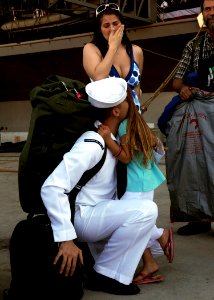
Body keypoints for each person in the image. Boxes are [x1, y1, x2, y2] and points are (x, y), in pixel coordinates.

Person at [41, 77, 160, 295]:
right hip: (83, 217)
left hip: (98, 212)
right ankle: (105, 275)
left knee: (143, 208)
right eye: (126, 101)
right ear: (116, 111)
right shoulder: (92, 143)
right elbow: (52, 187)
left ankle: (107, 271)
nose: (129, 104)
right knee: (146, 210)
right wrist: (65, 237)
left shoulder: (110, 138)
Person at [97, 88, 174, 284]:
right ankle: (149, 263)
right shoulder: (135, 122)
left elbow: (126, 156)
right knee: (137, 224)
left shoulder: (124, 126)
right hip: (144, 181)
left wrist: (107, 140)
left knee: (133, 222)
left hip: (135, 184)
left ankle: (161, 235)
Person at [158, 0, 214, 235]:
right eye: (208, 9)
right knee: (196, 164)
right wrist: (182, 89)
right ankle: (199, 216)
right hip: (201, 112)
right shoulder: (195, 44)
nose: (211, 13)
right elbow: (177, 79)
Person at [83, 3, 143, 112]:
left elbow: (137, 88)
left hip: (134, 118)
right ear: (99, 29)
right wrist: (113, 48)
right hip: (108, 121)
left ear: (122, 25)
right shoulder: (91, 49)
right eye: (106, 25)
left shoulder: (136, 51)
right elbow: (98, 77)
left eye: (116, 23)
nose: (112, 28)